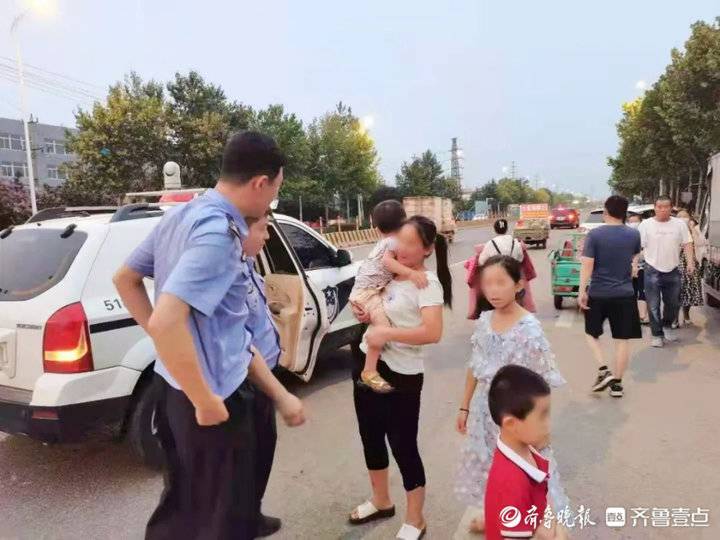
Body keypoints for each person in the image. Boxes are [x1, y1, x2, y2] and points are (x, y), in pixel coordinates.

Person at [113, 131, 305, 540]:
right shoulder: (218, 233)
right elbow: (166, 321)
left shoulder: (182, 215)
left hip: (175, 385)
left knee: (184, 505)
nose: (272, 200)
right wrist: (203, 398)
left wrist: (170, 351)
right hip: (213, 395)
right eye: (276, 189)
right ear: (261, 183)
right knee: (219, 518)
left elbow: (125, 279)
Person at [348, 215, 452, 540]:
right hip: (368, 365)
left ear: (427, 249)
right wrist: (364, 315)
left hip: (402, 376)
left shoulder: (426, 283)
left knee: (403, 445)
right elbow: (373, 304)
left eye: (411, 244)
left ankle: (415, 519)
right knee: (371, 436)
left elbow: (432, 332)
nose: (402, 249)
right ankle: (381, 500)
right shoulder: (390, 273)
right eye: (399, 242)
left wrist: (386, 334)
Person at [455, 255, 568, 534]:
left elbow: (539, 383)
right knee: (491, 467)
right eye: (487, 284)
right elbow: (474, 365)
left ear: (518, 285)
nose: (493, 290)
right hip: (485, 412)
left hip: (517, 416)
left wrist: (537, 424)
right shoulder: (484, 321)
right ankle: (496, 516)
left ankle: (544, 525)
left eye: (500, 282)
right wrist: (464, 406)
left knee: (528, 470)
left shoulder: (529, 329)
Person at [349, 200, 429, 394]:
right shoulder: (393, 242)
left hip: (365, 292)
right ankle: (369, 371)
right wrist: (411, 273)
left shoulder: (384, 242)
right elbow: (387, 262)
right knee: (382, 328)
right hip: (367, 294)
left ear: (376, 227)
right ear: (404, 222)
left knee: (379, 326)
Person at [483, 365, 568, 540]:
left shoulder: (524, 449)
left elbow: (542, 495)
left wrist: (550, 521)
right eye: (542, 416)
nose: (549, 424)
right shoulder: (512, 482)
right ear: (511, 424)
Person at [242, 212, 284, 537]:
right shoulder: (227, 275)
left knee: (262, 451)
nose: (267, 236)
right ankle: (240, 521)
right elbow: (238, 341)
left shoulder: (247, 265)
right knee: (245, 458)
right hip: (249, 382)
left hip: (263, 379)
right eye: (263, 230)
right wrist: (283, 395)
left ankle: (250, 514)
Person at [578, 195, 642, 399]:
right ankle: (617, 385)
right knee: (622, 340)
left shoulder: (595, 235)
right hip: (625, 294)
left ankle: (604, 370)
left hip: (599, 293)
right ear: (625, 213)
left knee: (591, 334)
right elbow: (634, 258)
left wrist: (581, 291)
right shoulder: (634, 235)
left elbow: (587, 265)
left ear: (606, 212)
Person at [638, 196, 695, 348]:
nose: (663, 210)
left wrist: (690, 262)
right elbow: (638, 247)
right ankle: (657, 335)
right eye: (659, 207)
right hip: (652, 269)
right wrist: (633, 265)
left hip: (672, 270)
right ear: (655, 208)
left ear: (671, 208)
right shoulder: (645, 225)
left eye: (666, 207)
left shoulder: (679, 224)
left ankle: (667, 326)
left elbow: (687, 243)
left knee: (673, 303)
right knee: (653, 305)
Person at [675, 209, 704, 327]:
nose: (683, 218)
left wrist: (692, 229)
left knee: (690, 291)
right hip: (676, 264)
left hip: (691, 264)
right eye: (680, 216)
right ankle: (674, 318)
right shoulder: (673, 230)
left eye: (685, 216)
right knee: (676, 291)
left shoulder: (694, 230)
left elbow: (700, 243)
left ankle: (686, 315)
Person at [627, 213, 649, 324]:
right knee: (631, 292)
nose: (633, 224)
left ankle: (642, 316)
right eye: (630, 222)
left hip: (643, 268)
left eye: (635, 222)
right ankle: (632, 316)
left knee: (643, 291)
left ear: (641, 222)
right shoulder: (626, 236)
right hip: (628, 268)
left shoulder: (645, 235)